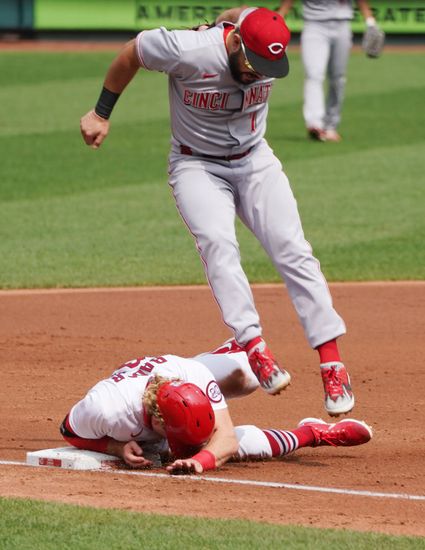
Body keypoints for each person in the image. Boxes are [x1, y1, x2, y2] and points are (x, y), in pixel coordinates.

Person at [80, 6, 354, 416]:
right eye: (254, 61)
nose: (259, 71)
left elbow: (239, 11)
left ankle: (332, 363)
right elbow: (131, 53)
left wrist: (225, 16)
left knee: (293, 250)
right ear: (236, 41)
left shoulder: (261, 51)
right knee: (218, 244)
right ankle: (254, 346)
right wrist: (101, 112)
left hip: (255, 160)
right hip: (198, 165)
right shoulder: (186, 49)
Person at [60, 346, 372, 474]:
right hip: (133, 395)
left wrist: (200, 462)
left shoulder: (194, 377)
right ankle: (313, 432)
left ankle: (234, 347)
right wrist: (113, 446)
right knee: (240, 448)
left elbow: (225, 438)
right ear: (156, 419)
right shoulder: (105, 409)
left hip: (183, 367)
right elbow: (68, 430)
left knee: (247, 375)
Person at [278, 0, 378, 142]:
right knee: (314, 74)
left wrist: (369, 20)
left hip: (342, 23)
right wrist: (280, 16)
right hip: (313, 25)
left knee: (337, 78)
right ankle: (315, 123)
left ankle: (330, 126)